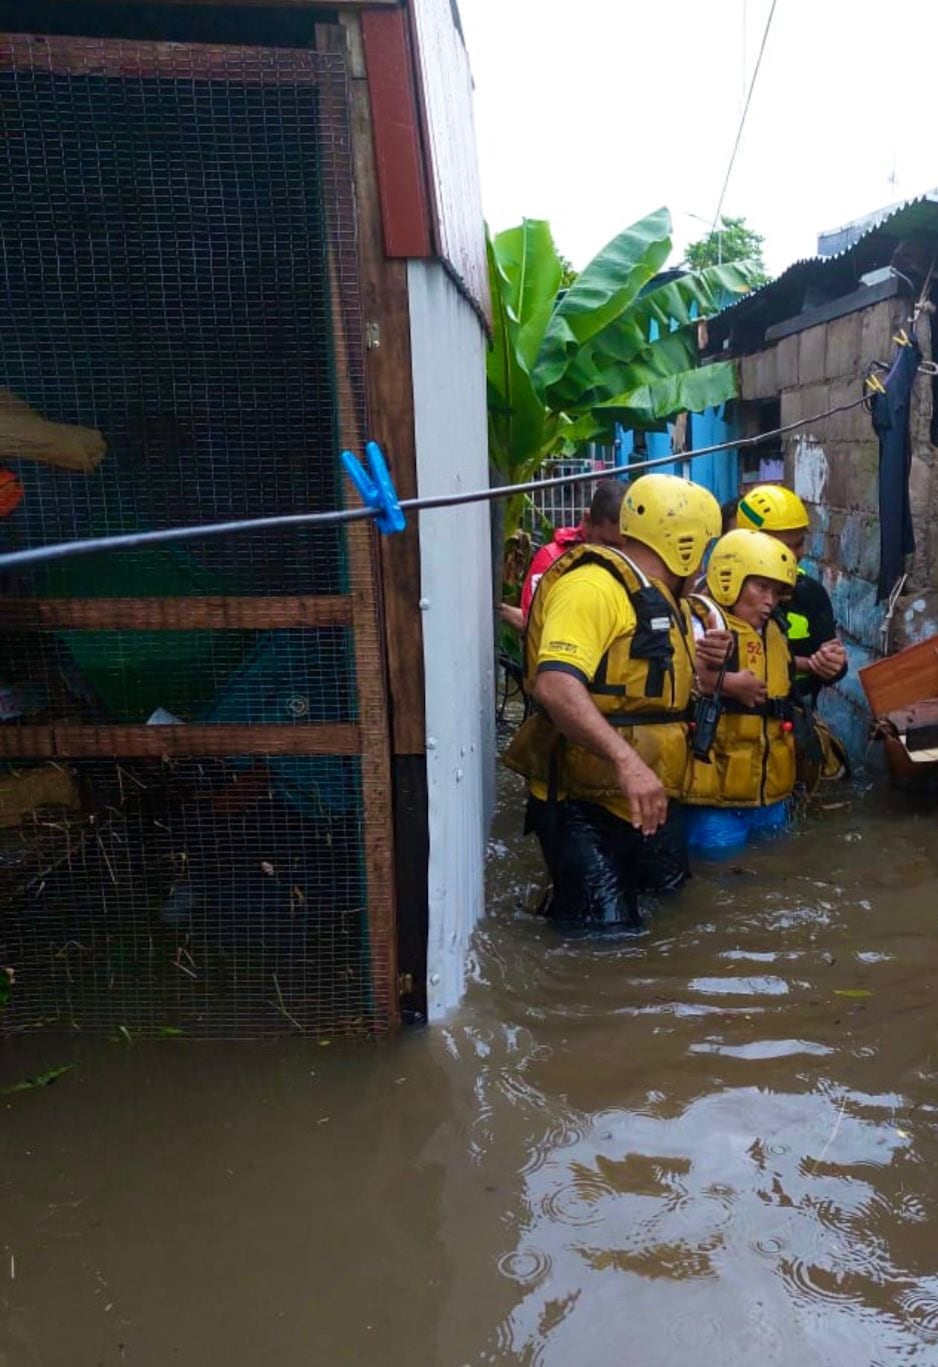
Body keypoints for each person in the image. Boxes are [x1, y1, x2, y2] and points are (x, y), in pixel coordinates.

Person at [503, 473, 729, 928]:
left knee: (671, 907)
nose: (703, 567)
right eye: (704, 550)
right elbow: (555, 686)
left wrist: (708, 669)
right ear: (683, 546)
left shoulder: (665, 602)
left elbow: (657, 696)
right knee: (606, 940)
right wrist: (627, 762)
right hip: (582, 806)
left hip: (648, 800)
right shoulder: (592, 588)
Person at [683, 529, 801, 857]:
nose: (769, 601)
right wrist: (730, 684)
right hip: (715, 797)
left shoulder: (775, 631)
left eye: (776, 592)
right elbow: (677, 678)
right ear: (728, 579)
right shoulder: (700, 622)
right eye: (761, 587)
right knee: (718, 876)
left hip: (769, 792)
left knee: (774, 867)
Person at [736, 485, 847, 703]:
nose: (797, 554)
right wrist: (806, 664)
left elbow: (831, 657)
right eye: (784, 547)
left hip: (796, 720)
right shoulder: (725, 592)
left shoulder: (810, 593)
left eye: (799, 544)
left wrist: (833, 664)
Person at [498, 479, 626, 633]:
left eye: (624, 547)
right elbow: (532, 623)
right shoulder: (552, 559)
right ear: (587, 520)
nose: (616, 555)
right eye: (607, 544)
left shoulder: (634, 561)